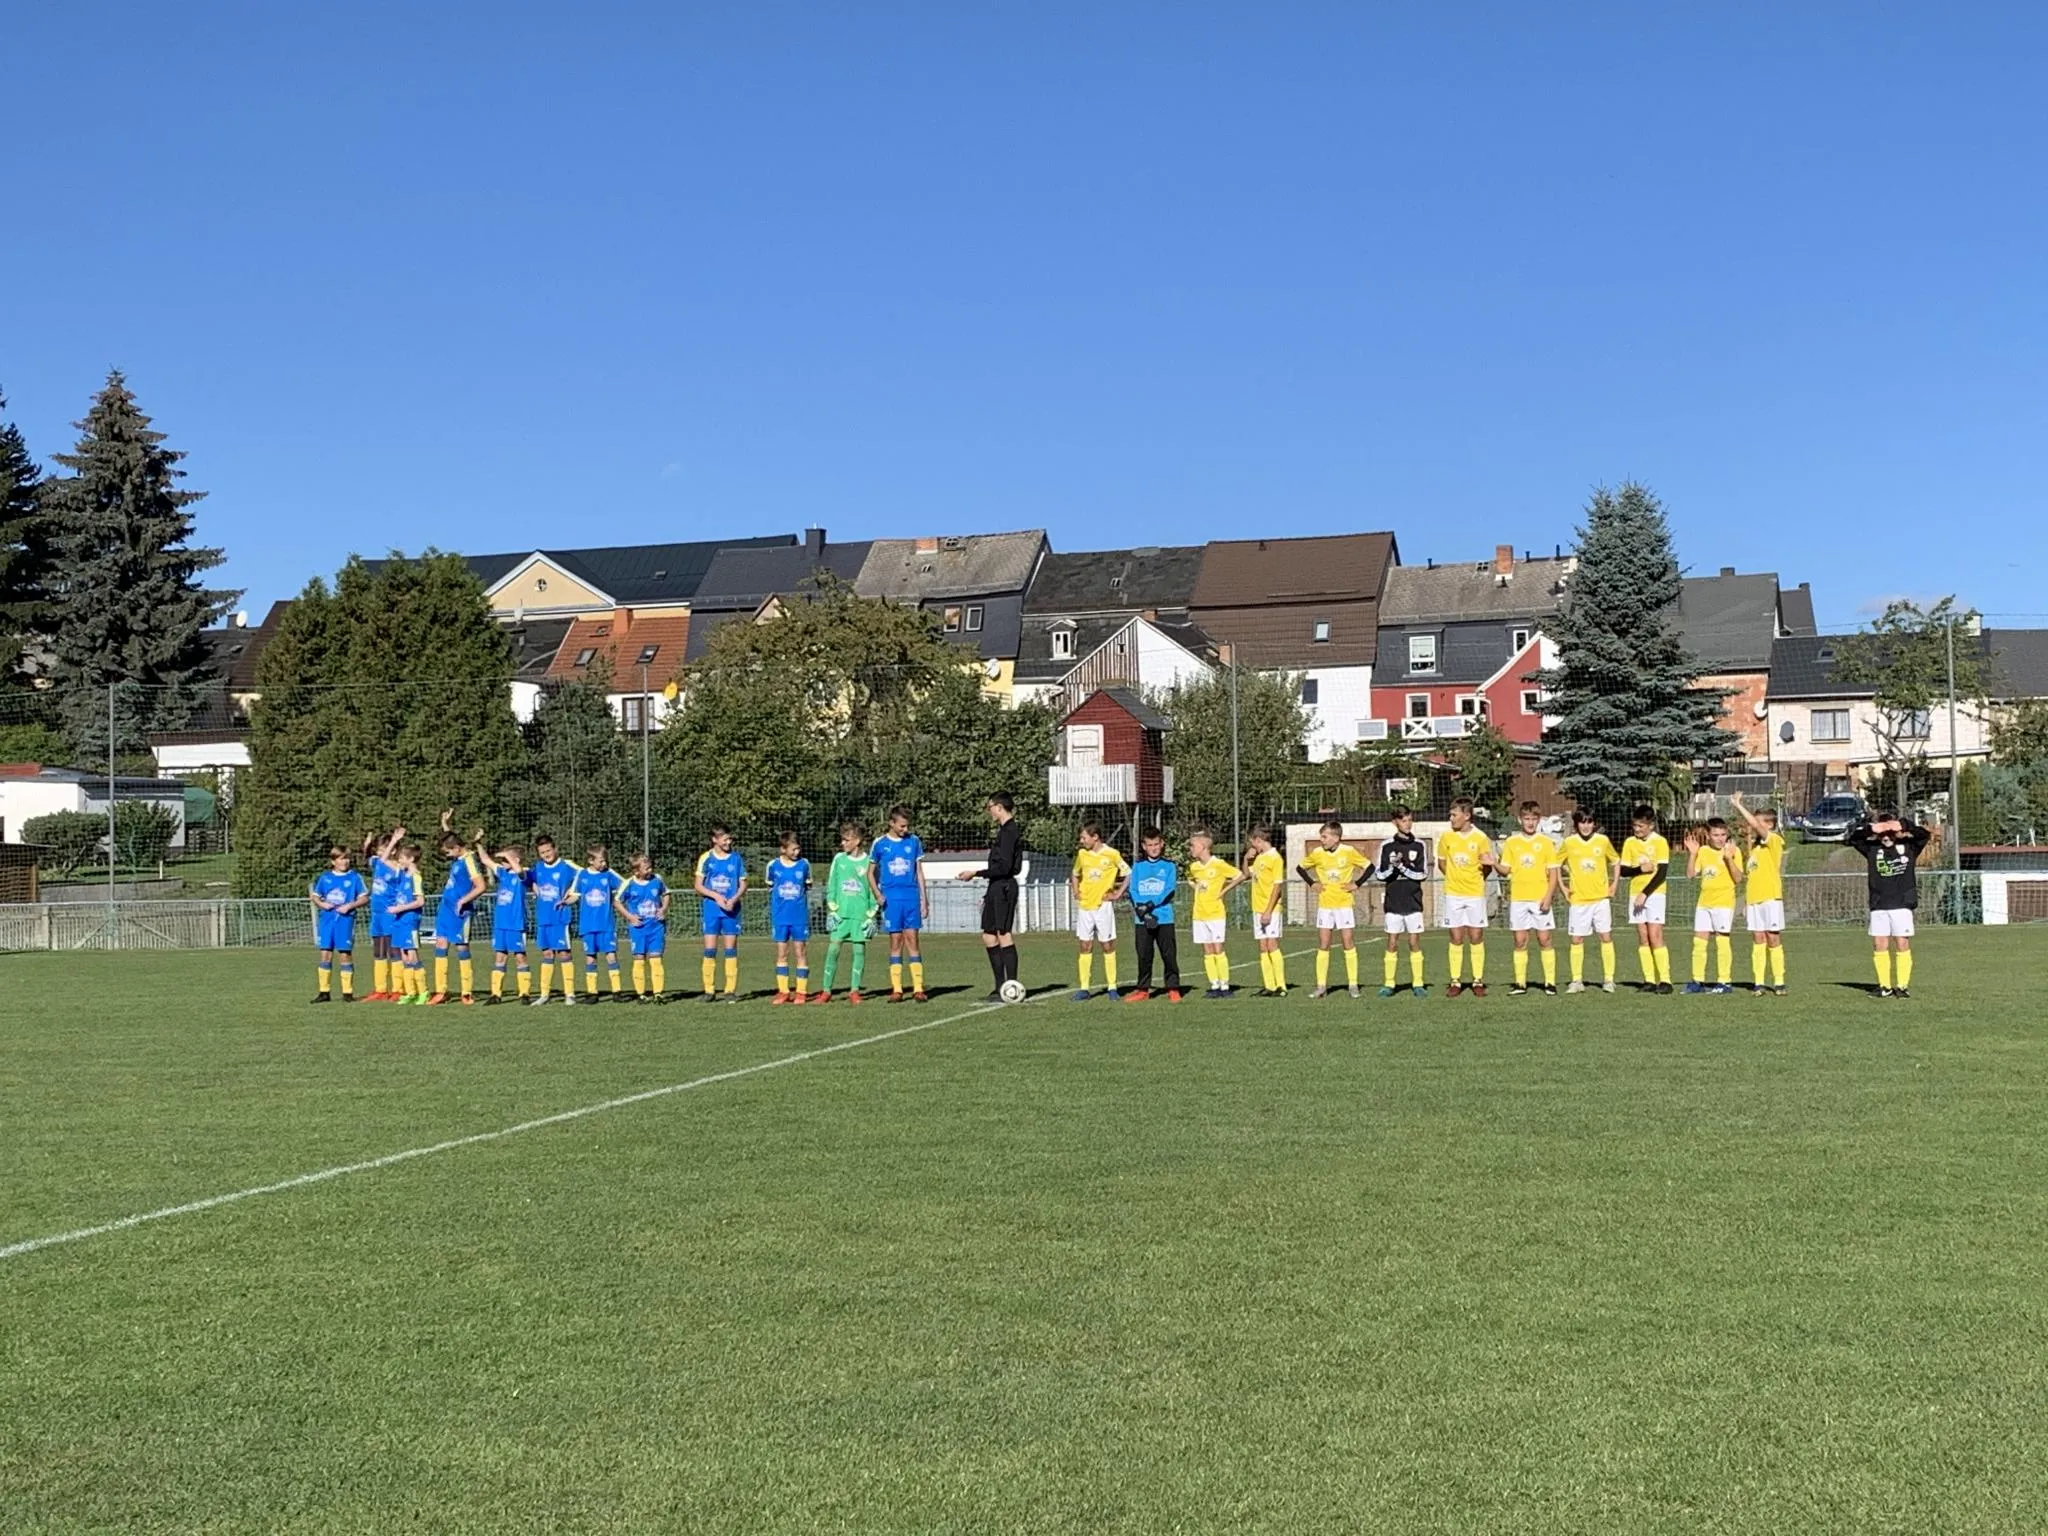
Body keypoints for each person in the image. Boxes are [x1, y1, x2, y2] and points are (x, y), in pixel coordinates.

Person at [1846, 808, 1932, 998]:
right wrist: (1871, 828)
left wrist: (1904, 825)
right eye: (1883, 832)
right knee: (1879, 944)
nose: (1886, 836)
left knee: (1901, 943)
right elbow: (1853, 839)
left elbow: (1924, 835)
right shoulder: (1872, 849)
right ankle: (1884, 986)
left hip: (1902, 904)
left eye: (1890, 831)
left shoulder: (1909, 847)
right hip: (1879, 905)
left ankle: (1902, 986)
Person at [956, 791, 1024, 1001]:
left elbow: (1005, 867)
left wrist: (976, 873)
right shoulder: (1003, 831)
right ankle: (999, 986)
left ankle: (1011, 986)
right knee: (988, 935)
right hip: (995, 886)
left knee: (1003, 933)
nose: (989, 811)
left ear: (999, 807)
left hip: (1004, 886)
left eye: (990, 807)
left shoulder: (1010, 831)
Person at [1299, 819, 1370, 998]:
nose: (1321, 840)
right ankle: (1321, 986)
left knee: (1348, 942)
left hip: (1344, 904)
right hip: (1325, 905)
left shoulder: (1348, 851)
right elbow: (1300, 868)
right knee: (1324, 944)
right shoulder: (1317, 853)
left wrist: (1357, 884)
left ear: (1336, 838)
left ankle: (1353, 985)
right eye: (1321, 837)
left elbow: (1370, 867)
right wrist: (1312, 883)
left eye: (1324, 837)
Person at [1730, 792, 1789, 996]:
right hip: (1754, 900)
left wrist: (1738, 805)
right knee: (1758, 939)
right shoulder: (1754, 850)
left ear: (1770, 825)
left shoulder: (1774, 841)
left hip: (1770, 898)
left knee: (1773, 938)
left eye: (1760, 822)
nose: (1754, 825)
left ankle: (1779, 982)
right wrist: (1747, 902)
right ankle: (1759, 983)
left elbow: (1755, 825)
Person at [1501, 802, 1562, 996]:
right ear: (1520, 820)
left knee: (1544, 939)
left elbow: (1553, 873)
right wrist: (1493, 862)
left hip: (1539, 898)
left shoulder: (1545, 843)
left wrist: (1548, 896)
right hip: (1519, 899)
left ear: (1539, 820)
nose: (1530, 823)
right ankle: (1520, 984)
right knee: (1520, 941)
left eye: (1534, 819)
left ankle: (1550, 983)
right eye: (1526, 819)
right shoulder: (1512, 843)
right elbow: (1505, 869)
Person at [1558, 809, 1622, 993]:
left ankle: (1609, 980)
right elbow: (1555, 864)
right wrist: (1563, 887)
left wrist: (1614, 884)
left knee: (1605, 937)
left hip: (1600, 899)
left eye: (1589, 822)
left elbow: (1616, 861)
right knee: (1576, 939)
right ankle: (1577, 981)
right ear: (1577, 824)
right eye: (1582, 822)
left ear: (1594, 823)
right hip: (1578, 900)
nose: (1586, 826)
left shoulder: (1603, 841)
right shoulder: (1569, 843)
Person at [1437, 798, 1496, 998]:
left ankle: (1477, 980)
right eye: (1451, 814)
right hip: (1453, 894)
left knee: (1476, 936)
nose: (1451, 818)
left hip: (1474, 895)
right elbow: (1442, 863)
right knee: (1455, 937)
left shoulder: (1480, 838)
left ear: (1467, 815)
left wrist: (1474, 880)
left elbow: (1487, 866)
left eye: (1454, 814)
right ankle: (1455, 981)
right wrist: (1455, 878)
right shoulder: (1446, 837)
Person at [869, 805, 928, 1002]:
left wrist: (924, 899)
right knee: (896, 941)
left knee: (913, 940)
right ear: (891, 823)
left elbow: (919, 871)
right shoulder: (880, 844)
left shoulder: (914, 841)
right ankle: (897, 989)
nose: (905, 829)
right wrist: (877, 894)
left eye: (907, 826)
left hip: (911, 897)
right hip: (891, 900)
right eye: (902, 826)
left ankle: (918, 988)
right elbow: (870, 873)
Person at [428, 811, 485, 1005]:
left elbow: (481, 886)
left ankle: (466, 992)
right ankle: (441, 991)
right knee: (440, 946)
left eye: (448, 851)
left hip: (461, 912)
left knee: (462, 947)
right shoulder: (459, 857)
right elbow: (451, 839)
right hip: (446, 910)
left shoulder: (469, 860)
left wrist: (463, 901)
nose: (447, 855)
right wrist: (445, 823)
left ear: (457, 848)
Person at [1070, 819, 1131, 1000]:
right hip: (1085, 907)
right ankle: (1084, 989)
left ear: (1095, 837)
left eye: (1084, 837)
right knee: (1085, 945)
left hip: (1103, 906)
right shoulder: (1082, 854)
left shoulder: (1112, 854)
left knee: (1107, 945)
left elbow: (1128, 873)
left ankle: (1112, 988)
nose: (1082, 841)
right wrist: (1076, 891)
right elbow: (1075, 874)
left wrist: (1117, 893)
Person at [815, 821, 875, 1004]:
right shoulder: (839, 859)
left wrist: (871, 915)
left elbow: (873, 889)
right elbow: (832, 885)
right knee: (833, 950)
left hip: (860, 916)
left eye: (846, 840)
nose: (842, 843)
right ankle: (826, 991)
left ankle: (854, 991)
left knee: (859, 952)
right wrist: (832, 909)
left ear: (857, 841)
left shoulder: (869, 862)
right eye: (842, 839)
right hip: (841, 915)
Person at [1374, 807, 1429, 997]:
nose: (1408, 824)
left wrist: (1403, 868)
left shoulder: (1419, 845)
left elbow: (1423, 874)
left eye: (1410, 820)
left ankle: (1418, 983)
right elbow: (1380, 874)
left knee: (1414, 942)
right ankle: (1389, 984)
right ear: (1395, 822)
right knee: (1392, 942)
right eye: (1404, 820)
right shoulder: (1387, 846)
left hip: (1413, 901)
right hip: (1393, 901)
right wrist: (1393, 868)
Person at [1124, 827, 1182, 1003]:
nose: (1154, 848)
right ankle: (1143, 989)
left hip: (1163, 918)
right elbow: (1133, 890)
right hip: (1142, 919)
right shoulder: (1138, 866)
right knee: (1144, 955)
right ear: (1144, 846)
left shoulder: (1169, 866)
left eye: (1156, 844)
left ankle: (1173, 988)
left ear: (1162, 844)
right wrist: (1141, 910)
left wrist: (1150, 905)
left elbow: (1169, 890)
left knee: (1169, 955)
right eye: (1150, 845)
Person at [1684, 819, 1742, 994]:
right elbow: (1690, 875)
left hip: (1724, 903)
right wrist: (1692, 854)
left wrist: (1729, 858)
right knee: (1699, 942)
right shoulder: (1703, 851)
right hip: (1704, 903)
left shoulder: (1733, 851)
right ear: (1708, 836)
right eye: (1716, 835)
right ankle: (1697, 981)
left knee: (1722, 941)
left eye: (1723, 835)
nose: (1720, 839)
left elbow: (1738, 879)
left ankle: (1724, 982)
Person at [1185, 828, 1245, 997]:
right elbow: (1191, 880)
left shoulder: (1218, 864)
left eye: (1193, 846)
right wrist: (1197, 887)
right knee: (1207, 950)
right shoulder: (1194, 867)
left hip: (1215, 913)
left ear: (1203, 847)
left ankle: (1225, 986)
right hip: (1199, 914)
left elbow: (1240, 876)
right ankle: (1214, 985)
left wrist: (1223, 891)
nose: (1191, 849)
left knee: (1218, 948)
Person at [475, 834, 534, 1004]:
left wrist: (508, 856)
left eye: (506, 859)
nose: (502, 862)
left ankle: (524, 993)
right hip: (501, 924)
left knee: (520, 957)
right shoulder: (503, 873)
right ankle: (496, 994)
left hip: (516, 924)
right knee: (500, 957)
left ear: (516, 860)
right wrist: (478, 843)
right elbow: (485, 860)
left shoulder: (524, 874)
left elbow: (519, 871)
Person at [1621, 806, 1674, 994]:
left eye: (1641, 826)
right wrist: (1639, 870)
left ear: (1651, 825)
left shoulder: (1660, 842)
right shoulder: (1629, 843)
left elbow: (1662, 873)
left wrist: (1645, 893)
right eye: (1635, 826)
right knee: (1643, 937)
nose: (1637, 829)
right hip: (1635, 895)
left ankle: (1665, 980)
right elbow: (1624, 870)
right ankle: (1649, 980)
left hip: (1654, 894)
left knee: (1655, 935)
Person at [309, 844, 369, 1003]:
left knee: (344, 953)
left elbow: (364, 898)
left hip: (345, 921)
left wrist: (349, 906)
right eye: (341, 859)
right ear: (333, 861)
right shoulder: (325, 878)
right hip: (327, 921)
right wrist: (322, 904)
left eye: (347, 858)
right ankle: (324, 992)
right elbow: (315, 896)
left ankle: (347, 993)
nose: (345, 862)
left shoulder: (355, 878)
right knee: (325, 953)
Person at [694, 824, 747, 1002]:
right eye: (725, 839)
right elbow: (698, 885)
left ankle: (729, 990)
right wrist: (716, 896)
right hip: (712, 910)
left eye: (730, 839)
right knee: (710, 949)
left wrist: (734, 899)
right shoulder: (706, 858)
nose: (728, 842)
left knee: (730, 949)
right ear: (715, 839)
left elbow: (743, 884)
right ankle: (709, 991)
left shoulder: (736, 859)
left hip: (731, 910)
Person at [527, 833, 579, 1006]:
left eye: (548, 851)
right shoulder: (538, 867)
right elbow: (529, 880)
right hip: (543, 917)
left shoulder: (566, 866)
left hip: (560, 917)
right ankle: (544, 994)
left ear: (555, 849)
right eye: (542, 853)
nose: (546, 855)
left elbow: (584, 876)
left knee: (564, 953)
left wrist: (572, 893)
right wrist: (535, 889)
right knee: (547, 953)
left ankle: (570, 994)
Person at [570, 845, 626, 1001]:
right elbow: (575, 894)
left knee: (611, 956)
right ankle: (592, 993)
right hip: (588, 926)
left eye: (605, 861)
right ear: (590, 860)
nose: (604, 864)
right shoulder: (582, 875)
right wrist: (565, 902)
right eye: (601, 861)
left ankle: (617, 992)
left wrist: (620, 899)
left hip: (606, 925)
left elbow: (625, 886)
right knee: (590, 957)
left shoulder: (609, 874)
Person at [766, 831, 813, 1005]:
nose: (796, 852)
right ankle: (783, 991)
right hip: (780, 917)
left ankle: (801, 991)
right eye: (793, 849)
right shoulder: (773, 866)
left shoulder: (804, 865)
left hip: (799, 916)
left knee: (800, 951)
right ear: (783, 849)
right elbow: (771, 886)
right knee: (782, 953)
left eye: (798, 849)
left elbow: (808, 886)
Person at [618, 853, 670, 1002]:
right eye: (646, 868)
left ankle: (658, 993)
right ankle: (641, 994)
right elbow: (617, 901)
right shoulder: (629, 884)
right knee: (639, 958)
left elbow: (666, 894)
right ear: (636, 871)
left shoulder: (657, 879)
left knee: (656, 958)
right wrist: (630, 917)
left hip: (656, 927)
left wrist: (663, 909)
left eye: (650, 867)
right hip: (638, 928)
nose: (650, 870)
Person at [362, 825, 405, 1000]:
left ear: (393, 850)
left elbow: (385, 859)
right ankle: (380, 989)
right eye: (379, 850)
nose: (379, 853)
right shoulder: (377, 863)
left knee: (394, 950)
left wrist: (394, 840)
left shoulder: (398, 868)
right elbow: (367, 857)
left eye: (382, 849)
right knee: (378, 951)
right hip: (376, 913)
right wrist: (367, 845)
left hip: (390, 913)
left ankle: (398, 989)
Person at [1245, 826, 1289, 996]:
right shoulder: (1258, 858)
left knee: (1272, 944)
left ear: (1259, 840)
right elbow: (1246, 874)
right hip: (1258, 908)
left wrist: (1268, 910)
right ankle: (1269, 985)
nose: (1253, 847)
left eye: (1253, 843)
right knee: (1263, 946)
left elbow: (1277, 886)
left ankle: (1281, 986)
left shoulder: (1275, 858)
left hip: (1271, 909)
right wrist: (1246, 858)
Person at [387, 843, 426, 1004]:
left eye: (402, 858)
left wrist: (400, 908)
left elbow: (420, 901)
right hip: (399, 920)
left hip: (410, 920)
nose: (399, 861)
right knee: (404, 956)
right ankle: (410, 992)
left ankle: (423, 992)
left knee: (412, 954)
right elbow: (384, 861)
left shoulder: (415, 877)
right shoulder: (403, 875)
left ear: (411, 859)